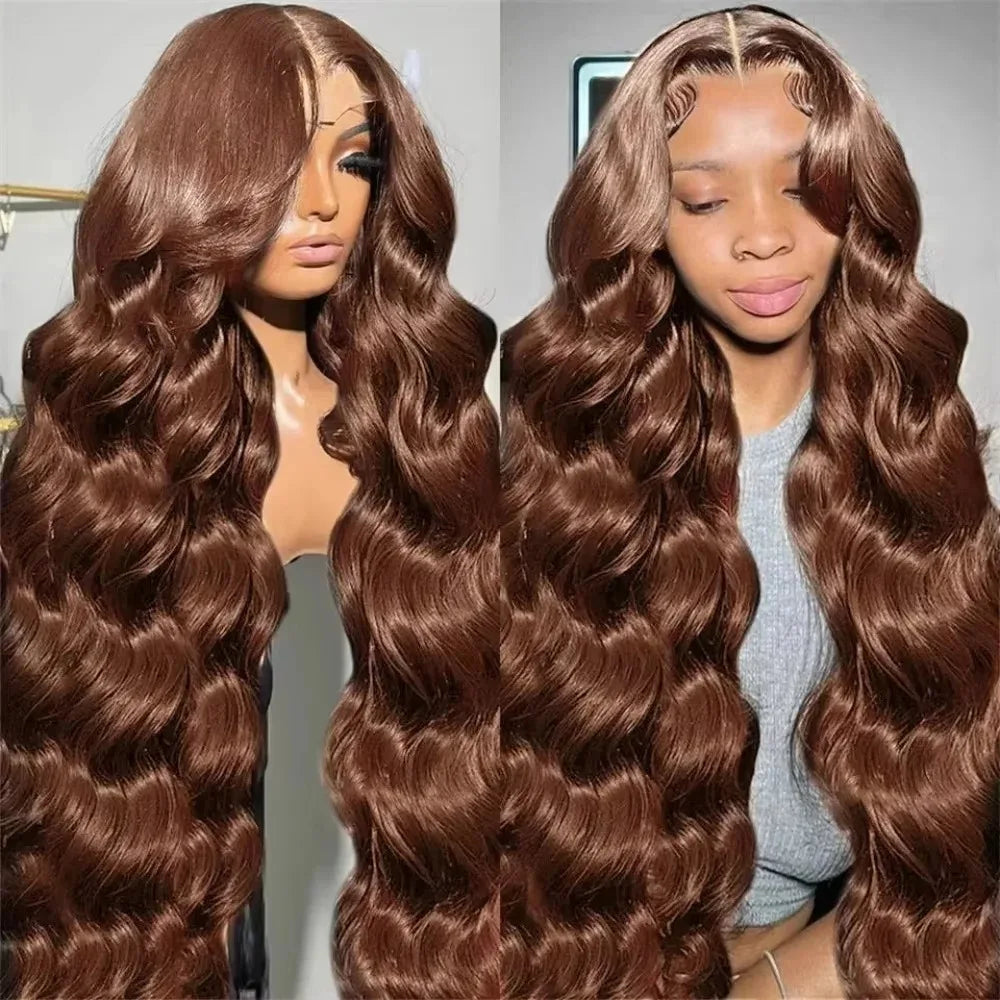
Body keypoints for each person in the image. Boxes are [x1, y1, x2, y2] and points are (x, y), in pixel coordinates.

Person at [498, 6, 999, 999]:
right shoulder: (558, 475)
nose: (765, 237)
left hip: (828, 962)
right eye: (705, 199)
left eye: (805, 190)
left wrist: (778, 985)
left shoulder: (919, 472)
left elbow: (957, 833)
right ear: (647, 219)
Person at [1, 5, 500, 998]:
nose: (321, 202)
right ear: (195, 176)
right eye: (276, 162)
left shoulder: (421, 427)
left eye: (353, 160)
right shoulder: (110, 442)